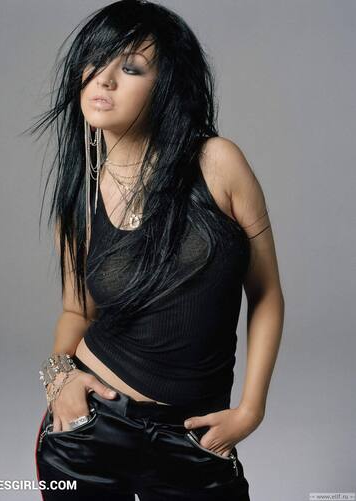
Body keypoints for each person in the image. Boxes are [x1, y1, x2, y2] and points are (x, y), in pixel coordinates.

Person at [28, 1, 285, 499]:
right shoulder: (80, 201)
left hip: (194, 434)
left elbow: (266, 292)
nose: (103, 79)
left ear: (166, 84)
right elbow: (76, 311)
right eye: (94, 62)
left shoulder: (217, 164)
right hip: (89, 429)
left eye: (130, 67)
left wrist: (251, 410)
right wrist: (58, 377)